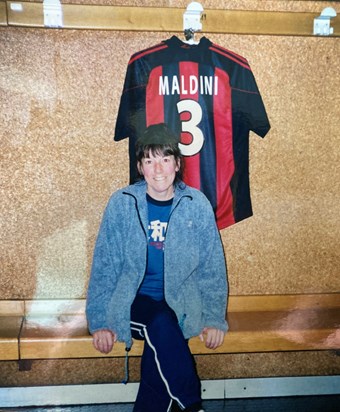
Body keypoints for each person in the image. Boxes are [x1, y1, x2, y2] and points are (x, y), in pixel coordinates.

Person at [86, 123, 228, 412]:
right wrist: (99, 321)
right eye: (149, 161)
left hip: (182, 304)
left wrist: (214, 318)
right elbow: (105, 265)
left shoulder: (195, 204)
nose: (158, 168)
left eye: (164, 159)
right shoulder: (122, 203)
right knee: (161, 321)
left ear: (177, 163)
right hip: (134, 303)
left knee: (160, 344)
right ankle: (192, 405)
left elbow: (212, 267)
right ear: (140, 167)